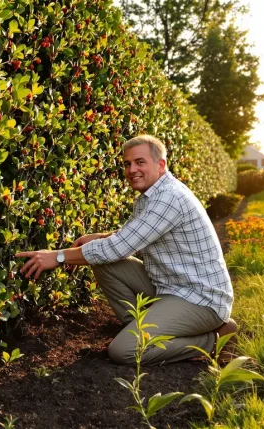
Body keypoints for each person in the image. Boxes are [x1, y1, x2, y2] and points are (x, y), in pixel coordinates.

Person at [15, 135, 236, 365]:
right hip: (171, 286)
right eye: (127, 164)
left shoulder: (169, 198)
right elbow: (132, 235)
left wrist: (58, 256)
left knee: (123, 352)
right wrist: (99, 237)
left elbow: (118, 248)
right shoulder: (152, 196)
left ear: (160, 165)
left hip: (200, 299)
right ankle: (138, 331)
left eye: (140, 162)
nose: (132, 169)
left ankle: (212, 339)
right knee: (105, 263)